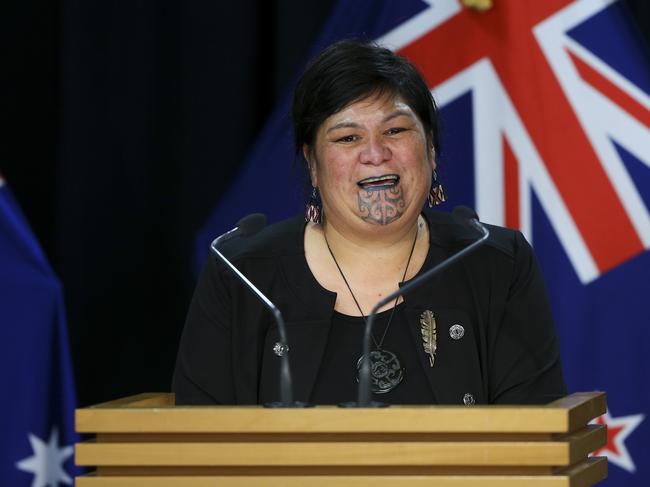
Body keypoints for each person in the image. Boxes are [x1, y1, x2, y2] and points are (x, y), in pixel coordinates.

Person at [172, 40, 566, 406]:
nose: (375, 154)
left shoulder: (496, 263)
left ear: (430, 150)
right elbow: (196, 449)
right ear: (312, 164)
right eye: (347, 138)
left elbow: (538, 441)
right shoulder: (243, 275)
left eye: (395, 130)